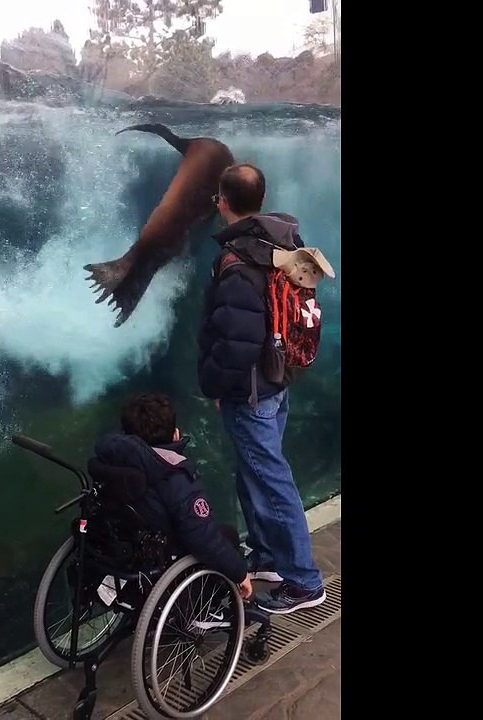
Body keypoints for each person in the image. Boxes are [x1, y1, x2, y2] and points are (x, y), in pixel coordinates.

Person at [197, 163, 327, 614]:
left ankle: (305, 583)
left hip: (250, 389)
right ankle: (269, 556)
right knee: (254, 471)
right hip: (277, 378)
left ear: (223, 202)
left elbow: (236, 340)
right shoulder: (280, 242)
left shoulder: (238, 262)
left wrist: (213, 384)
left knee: (273, 480)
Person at [93, 393, 252, 601]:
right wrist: (240, 573)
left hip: (126, 547)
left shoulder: (113, 462)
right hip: (163, 553)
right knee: (227, 536)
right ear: (175, 434)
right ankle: (201, 610)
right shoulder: (173, 475)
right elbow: (202, 537)